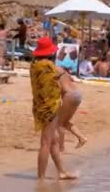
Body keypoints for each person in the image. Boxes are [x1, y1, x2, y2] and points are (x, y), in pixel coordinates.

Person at [30, 37, 76, 180]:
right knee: (46, 142)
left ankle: (62, 172)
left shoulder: (34, 66)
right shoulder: (51, 67)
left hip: (39, 107)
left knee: (54, 140)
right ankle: (41, 178)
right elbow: (67, 79)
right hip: (50, 107)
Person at [56, 68, 87, 151]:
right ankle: (82, 138)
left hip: (69, 95)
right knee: (65, 122)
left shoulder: (50, 70)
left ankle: (61, 147)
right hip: (77, 93)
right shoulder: (61, 69)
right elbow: (72, 79)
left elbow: (58, 87)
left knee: (59, 123)